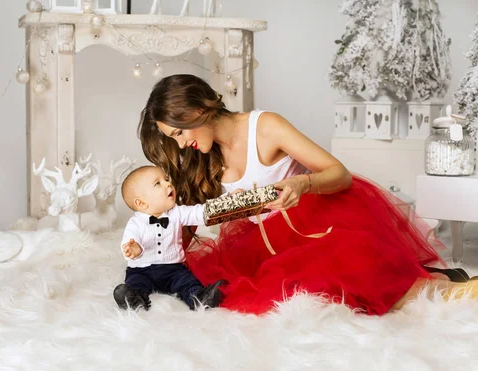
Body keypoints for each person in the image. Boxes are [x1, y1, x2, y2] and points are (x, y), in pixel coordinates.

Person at [137, 73, 475, 316]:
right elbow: (184, 224)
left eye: (180, 132)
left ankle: (444, 290)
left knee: (347, 268)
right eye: (173, 138)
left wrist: (303, 185)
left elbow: (337, 173)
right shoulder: (201, 158)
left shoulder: (264, 126)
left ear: (196, 110)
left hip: (312, 225)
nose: (180, 143)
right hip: (264, 244)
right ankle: (433, 280)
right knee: (242, 288)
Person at [113, 165, 225, 311]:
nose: (168, 184)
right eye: (157, 183)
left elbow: (199, 212)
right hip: (141, 270)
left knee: (187, 281)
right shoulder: (135, 223)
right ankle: (134, 300)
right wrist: (134, 249)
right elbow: (129, 242)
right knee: (136, 283)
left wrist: (225, 201)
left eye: (166, 179)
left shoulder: (177, 212)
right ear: (141, 203)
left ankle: (200, 298)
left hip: (173, 269)